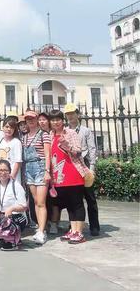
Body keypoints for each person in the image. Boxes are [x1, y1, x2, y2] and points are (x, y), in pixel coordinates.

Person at [49, 110, 87, 244]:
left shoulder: (70, 133)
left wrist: (67, 145)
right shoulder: (50, 135)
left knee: (77, 204)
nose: (55, 122)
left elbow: (78, 151)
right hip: (59, 176)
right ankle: (73, 230)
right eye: (53, 120)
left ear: (62, 120)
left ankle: (79, 232)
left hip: (73, 173)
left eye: (58, 119)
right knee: (69, 204)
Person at [64, 103, 100, 236]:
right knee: (73, 198)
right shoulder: (65, 130)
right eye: (68, 114)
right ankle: (73, 225)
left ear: (77, 114)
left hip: (84, 163)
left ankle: (94, 226)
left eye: (72, 113)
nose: (70, 116)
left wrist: (92, 168)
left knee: (90, 197)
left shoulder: (86, 131)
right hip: (71, 165)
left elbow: (92, 150)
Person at [21, 110, 51, 245]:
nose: (30, 121)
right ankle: (40, 227)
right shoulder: (24, 137)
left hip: (40, 167)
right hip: (29, 168)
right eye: (27, 119)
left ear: (37, 119)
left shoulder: (44, 135)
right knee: (35, 200)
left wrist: (47, 171)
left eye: (32, 118)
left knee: (41, 202)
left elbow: (47, 154)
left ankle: (42, 230)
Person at [0, 160, 28, 251]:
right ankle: (9, 238)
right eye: (0, 170)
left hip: (16, 216)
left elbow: (24, 206)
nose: (3, 173)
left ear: (9, 171)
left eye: (5, 170)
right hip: (1, 216)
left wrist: (12, 208)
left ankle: (12, 240)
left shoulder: (16, 185)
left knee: (7, 225)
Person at [0, 117, 23, 185]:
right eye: (7, 127)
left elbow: (18, 162)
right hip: (1, 175)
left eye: (11, 127)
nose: (9, 129)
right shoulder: (0, 142)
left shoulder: (16, 142)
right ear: (3, 127)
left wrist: (12, 176)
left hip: (12, 176)